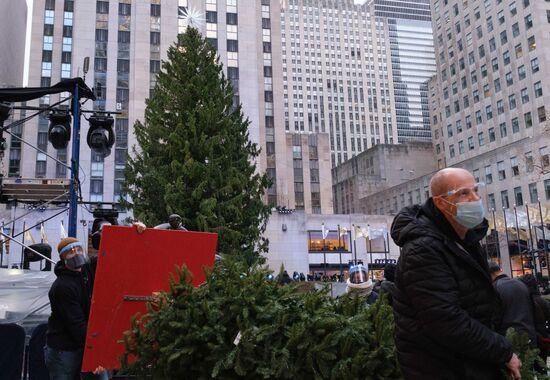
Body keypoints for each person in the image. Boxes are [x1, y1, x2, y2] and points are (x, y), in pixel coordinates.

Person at [390, 168, 521, 380]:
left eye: (476, 190)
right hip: (444, 368)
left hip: (469, 363)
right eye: (463, 193)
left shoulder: (465, 239)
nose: (475, 198)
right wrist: (502, 351)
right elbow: (445, 320)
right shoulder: (423, 249)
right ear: (441, 203)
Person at [45, 224, 145, 380]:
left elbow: (115, 252)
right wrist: (98, 355)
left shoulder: (88, 269)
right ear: (63, 258)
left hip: (88, 341)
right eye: (70, 253)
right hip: (64, 350)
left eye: (78, 249)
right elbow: (77, 326)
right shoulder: (62, 287)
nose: (76, 253)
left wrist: (134, 231)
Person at [488, 262, 537, 347]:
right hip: (529, 336)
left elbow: (495, 319)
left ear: (490, 274)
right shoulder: (521, 284)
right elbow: (533, 310)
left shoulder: (494, 288)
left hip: (510, 340)